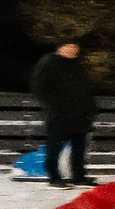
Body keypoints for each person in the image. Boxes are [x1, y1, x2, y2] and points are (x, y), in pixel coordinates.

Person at [28, 41, 97, 188]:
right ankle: (54, 177)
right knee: (55, 146)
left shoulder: (77, 66)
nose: (73, 51)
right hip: (59, 114)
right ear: (60, 48)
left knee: (79, 148)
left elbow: (85, 89)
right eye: (69, 47)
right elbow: (38, 86)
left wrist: (90, 108)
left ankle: (78, 176)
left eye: (75, 48)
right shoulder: (49, 63)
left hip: (80, 114)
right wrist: (54, 105)